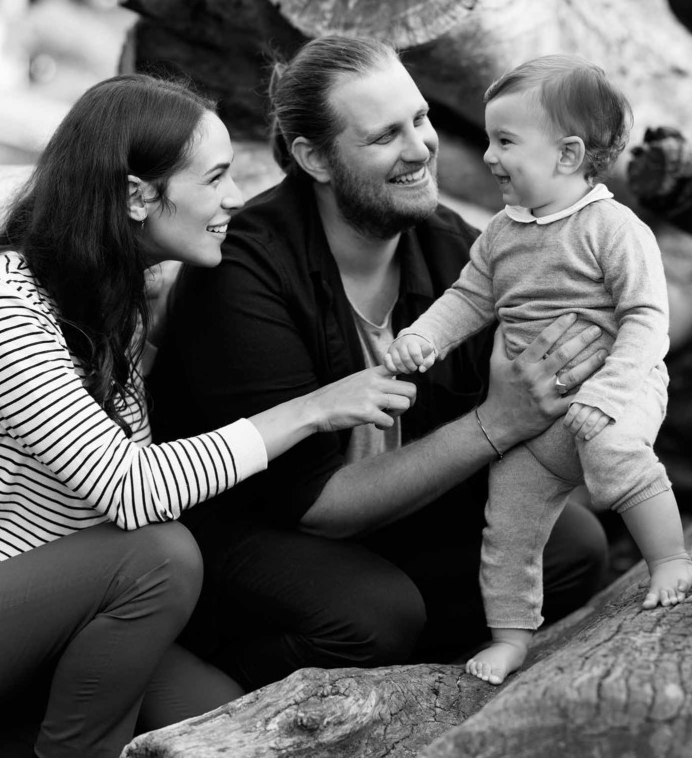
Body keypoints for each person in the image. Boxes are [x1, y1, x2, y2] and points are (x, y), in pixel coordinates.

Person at [0, 74, 415, 758]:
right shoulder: (0, 304)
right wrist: (309, 411)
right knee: (161, 556)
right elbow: (130, 492)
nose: (236, 198)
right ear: (135, 196)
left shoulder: (113, 302)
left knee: (220, 726)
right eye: (216, 178)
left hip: (33, 620)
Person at [146, 36, 612, 692]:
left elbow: (534, 415)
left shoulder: (457, 253)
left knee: (571, 550)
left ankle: (412, 678)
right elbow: (317, 505)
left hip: (391, 522)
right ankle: (216, 682)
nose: (421, 148)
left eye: (420, 119)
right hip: (245, 530)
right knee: (373, 615)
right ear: (315, 158)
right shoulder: (244, 274)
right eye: (385, 135)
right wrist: (496, 423)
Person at [384, 54, 692, 685]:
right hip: (539, 420)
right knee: (509, 520)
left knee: (614, 451)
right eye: (489, 140)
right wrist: (423, 338)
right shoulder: (501, 234)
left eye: (504, 141)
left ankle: (669, 560)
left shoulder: (611, 228)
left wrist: (609, 392)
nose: (491, 157)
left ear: (568, 154)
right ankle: (510, 637)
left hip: (619, 392)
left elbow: (645, 320)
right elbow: (470, 299)